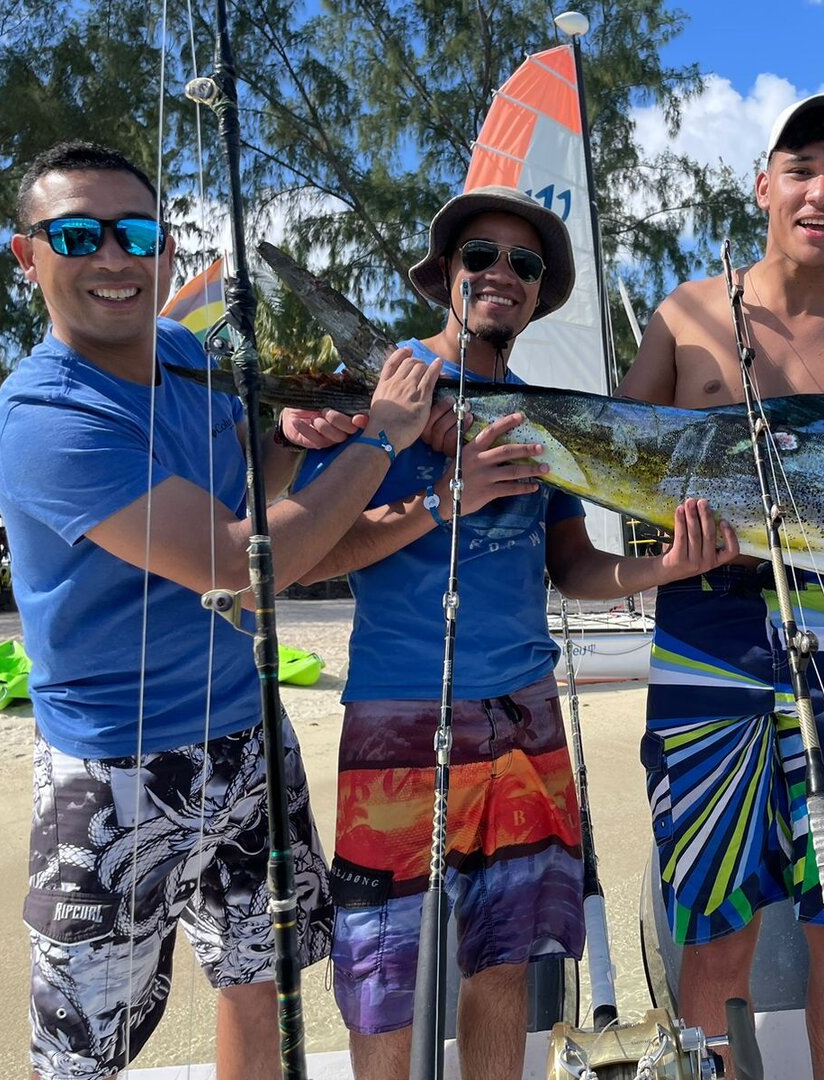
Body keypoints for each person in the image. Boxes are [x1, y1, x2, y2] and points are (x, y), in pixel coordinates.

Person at [0, 140, 445, 1080]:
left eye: (135, 234)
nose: (111, 257)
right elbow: (238, 566)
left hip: (247, 730)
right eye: (75, 235)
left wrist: (287, 439)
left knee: (263, 980)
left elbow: (244, 495)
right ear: (27, 256)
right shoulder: (45, 418)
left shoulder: (191, 355)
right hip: (114, 766)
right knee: (83, 1048)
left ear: (165, 252)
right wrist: (386, 440)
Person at [286, 184, 740, 1080]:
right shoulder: (386, 395)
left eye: (523, 264)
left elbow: (572, 568)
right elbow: (311, 558)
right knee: (384, 979)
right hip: (400, 714)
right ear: (444, 275)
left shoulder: (544, 416)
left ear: (537, 292)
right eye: (481, 256)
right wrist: (441, 499)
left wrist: (662, 568)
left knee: (504, 964)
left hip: (528, 719)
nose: (502, 274)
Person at [616, 94, 824, 1077]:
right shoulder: (685, 313)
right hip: (704, 623)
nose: (823, 193)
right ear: (763, 185)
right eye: (802, 169)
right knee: (715, 916)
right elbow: (610, 456)